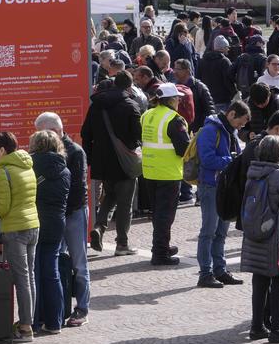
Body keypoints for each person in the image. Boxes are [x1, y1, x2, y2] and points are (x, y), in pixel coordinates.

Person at [0, 131, 40, 342]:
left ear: (2, 150)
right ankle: (28, 322)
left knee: (21, 279)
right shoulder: (26, 166)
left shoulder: (4, 172)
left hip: (15, 230)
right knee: (29, 276)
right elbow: (19, 197)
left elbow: (3, 209)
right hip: (32, 225)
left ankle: (25, 328)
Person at [241, 135, 279, 343]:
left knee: (259, 282)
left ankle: (257, 327)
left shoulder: (253, 172)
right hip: (275, 236)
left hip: (254, 236)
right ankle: (277, 329)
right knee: (278, 282)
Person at [35, 112, 91, 327]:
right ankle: (59, 308)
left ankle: (82, 308)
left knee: (79, 263)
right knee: (57, 261)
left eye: (42, 133)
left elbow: (76, 189)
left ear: (55, 131)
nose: (40, 137)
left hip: (73, 212)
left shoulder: (75, 151)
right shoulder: (46, 152)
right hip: (57, 215)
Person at [82, 73, 142, 255]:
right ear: (129, 86)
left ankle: (99, 227)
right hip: (123, 162)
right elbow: (137, 136)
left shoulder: (96, 106)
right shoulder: (131, 106)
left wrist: (91, 158)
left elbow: (86, 133)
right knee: (125, 203)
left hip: (102, 161)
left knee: (110, 196)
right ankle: (122, 244)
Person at [196, 101, 249, 288]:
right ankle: (205, 273)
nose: (240, 127)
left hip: (224, 187)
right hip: (210, 186)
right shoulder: (211, 130)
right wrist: (232, 159)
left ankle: (220, 270)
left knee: (220, 233)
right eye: (240, 123)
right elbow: (207, 159)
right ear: (232, 114)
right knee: (208, 232)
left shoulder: (228, 131)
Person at [140, 83, 191, 265]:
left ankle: (161, 246)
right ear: (171, 100)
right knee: (165, 216)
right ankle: (160, 254)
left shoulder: (147, 115)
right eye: (177, 98)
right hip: (168, 173)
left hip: (150, 170)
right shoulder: (174, 119)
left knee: (158, 213)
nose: (179, 101)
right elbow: (183, 149)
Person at [29, 131, 73, 337]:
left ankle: (34, 321)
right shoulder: (65, 171)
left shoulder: (29, 167)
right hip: (56, 224)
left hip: (35, 221)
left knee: (33, 273)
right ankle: (55, 322)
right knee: (52, 272)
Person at [197, 35, 237, 113]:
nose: (228, 49)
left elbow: (198, 79)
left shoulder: (202, 61)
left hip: (207, 99)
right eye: (227, 47)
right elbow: (228, 80)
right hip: (223, 99)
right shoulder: (224, 61)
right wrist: (234, 93)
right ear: (222, 48)